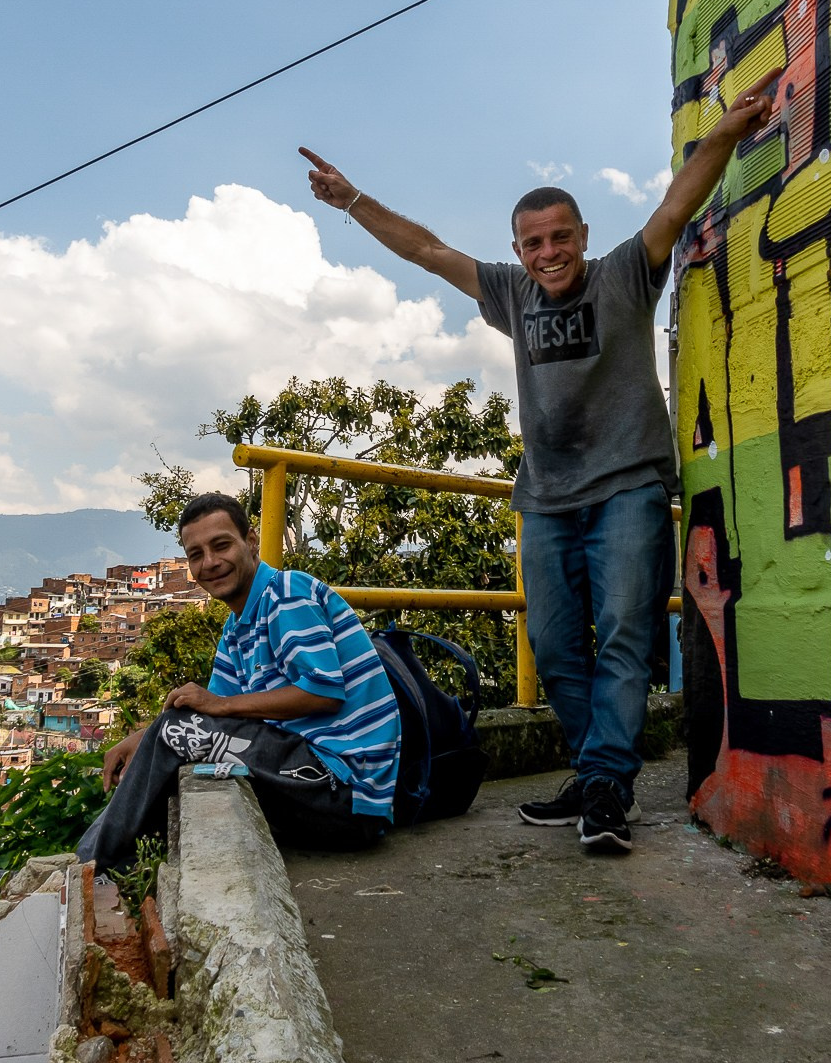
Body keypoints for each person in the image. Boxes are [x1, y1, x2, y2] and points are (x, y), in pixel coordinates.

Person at [297, 70, 779, 853]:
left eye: (560, 237)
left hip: (627, 489)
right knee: (556, 648)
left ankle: (606, 791)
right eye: (533, 242)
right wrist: (353, 201)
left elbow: (676, 205)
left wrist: (726, 129)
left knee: (623, 636)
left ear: (583, 236)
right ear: (518, 249)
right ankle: (596, 776)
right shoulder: (511, 294)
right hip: (547, 498)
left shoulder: (625, 272)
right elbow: (426, 250)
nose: (548, 252)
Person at [74, 491, 400, 877]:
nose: (210, 562)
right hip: (311, 782)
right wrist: (141, 738)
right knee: (176, 731)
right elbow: (205, 715)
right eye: (196, 554)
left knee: (179, 731)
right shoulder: (237, 626)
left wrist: (217, 709)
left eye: (221, 545)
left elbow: (323, 692)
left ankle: (89, 868)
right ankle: (102, 861)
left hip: (345, 792)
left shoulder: (286, 594)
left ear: (251, 540)